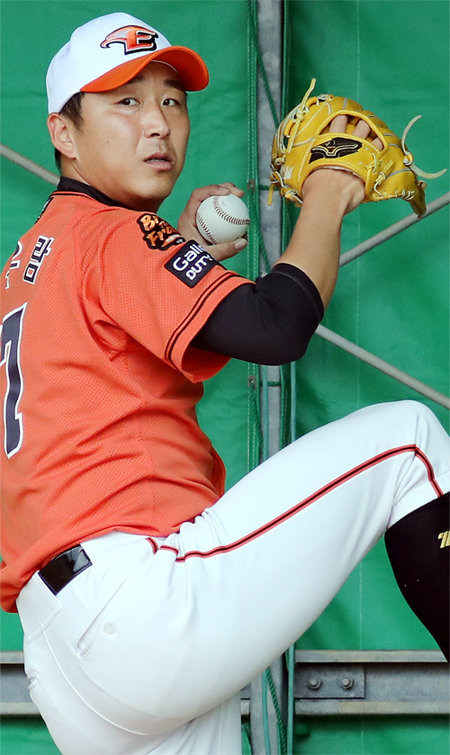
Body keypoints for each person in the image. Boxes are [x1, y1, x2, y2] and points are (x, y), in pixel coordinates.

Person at [1, 11, 448, 755]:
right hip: (137, 605)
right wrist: (330, 189)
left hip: (64, 657)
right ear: (63, 133)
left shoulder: (27, 261)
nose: (158, 124)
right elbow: (276, 328)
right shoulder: (115, 234)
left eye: (171, 101)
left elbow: (111, 347)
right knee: (409, 444)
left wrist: (184, 248)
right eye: (125, 102)